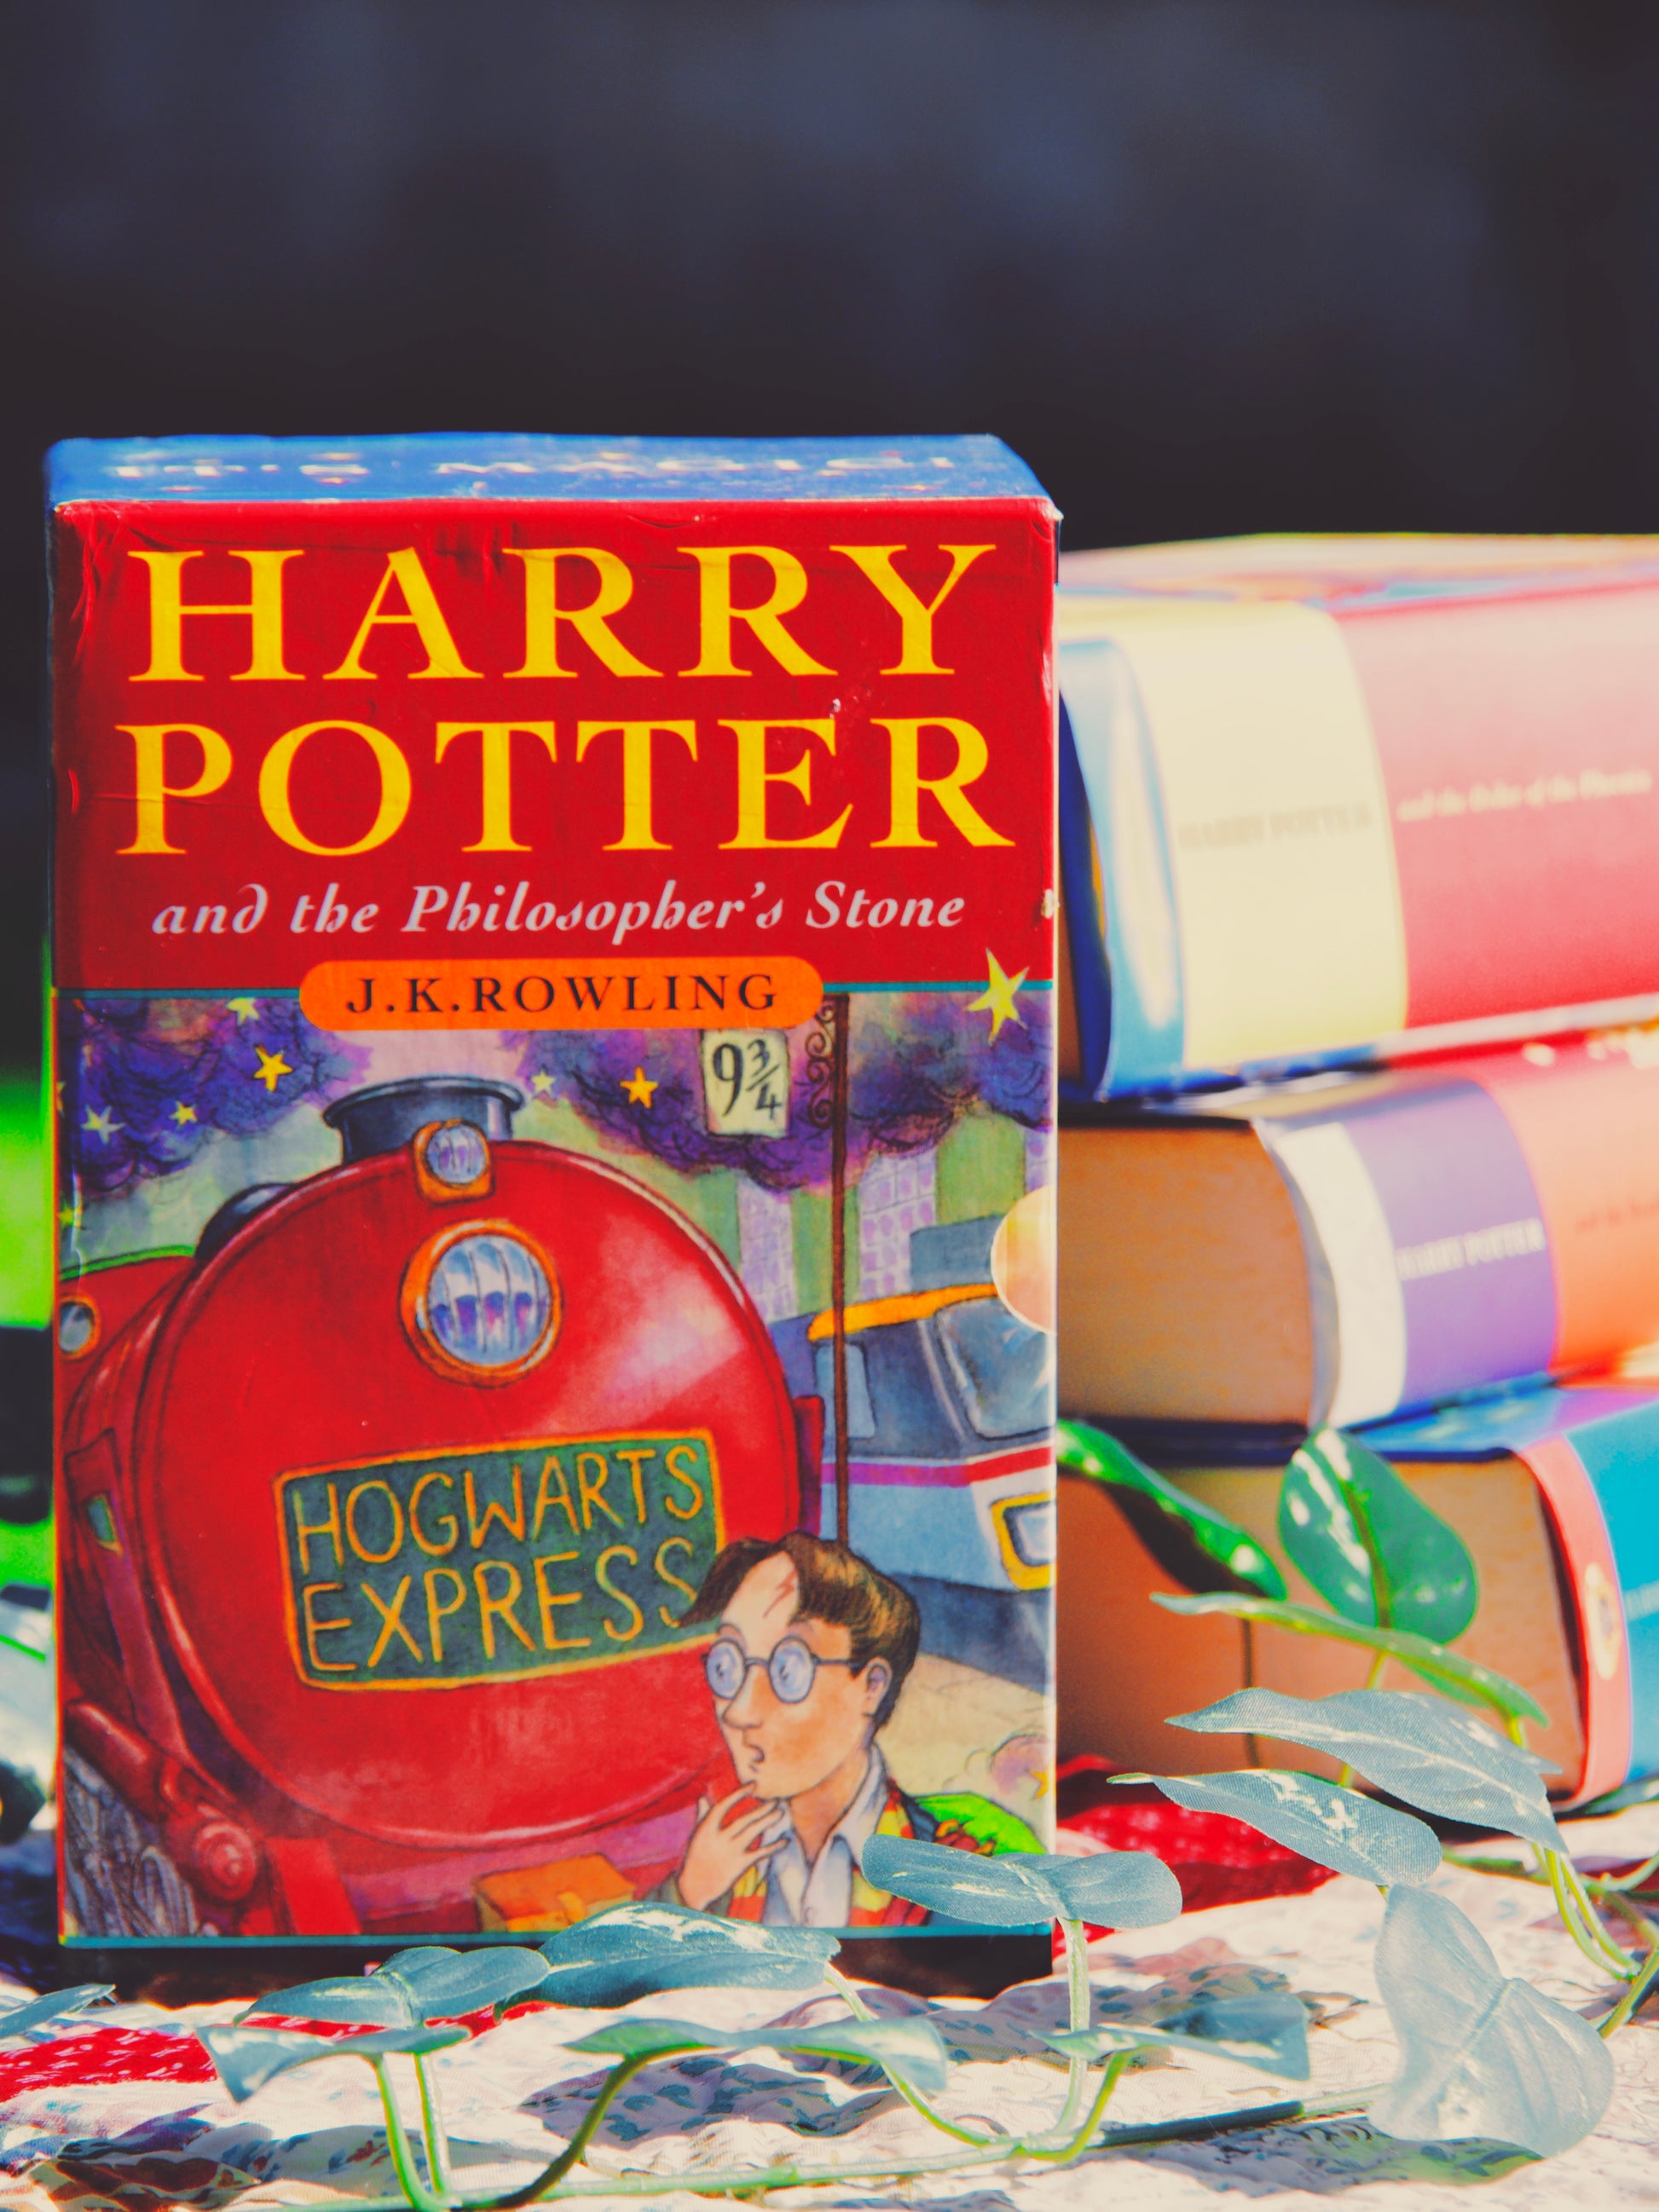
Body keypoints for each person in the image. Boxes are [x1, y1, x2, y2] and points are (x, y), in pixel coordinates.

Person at [660, 1531, 1038, 1926]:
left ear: (872, 1687)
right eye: (726, 1666)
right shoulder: (718, 1872)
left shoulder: (964, 1865)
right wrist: (687, 1894)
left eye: (788, 1670)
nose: (740, 1711)